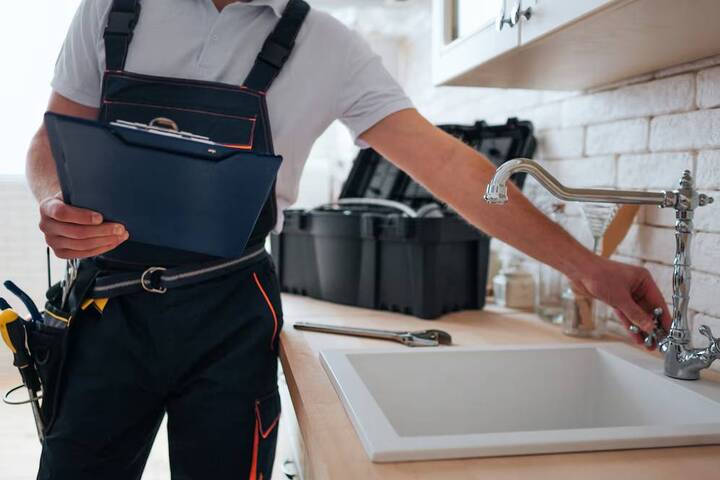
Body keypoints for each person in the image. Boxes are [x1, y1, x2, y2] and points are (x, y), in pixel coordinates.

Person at [25, 0, 670, 478]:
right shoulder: (113, 8)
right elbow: (50, 139)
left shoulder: (326, 46)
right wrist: (53, 198)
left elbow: (450, 166)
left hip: (229, 319)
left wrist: (588, 268)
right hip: (107, 307)